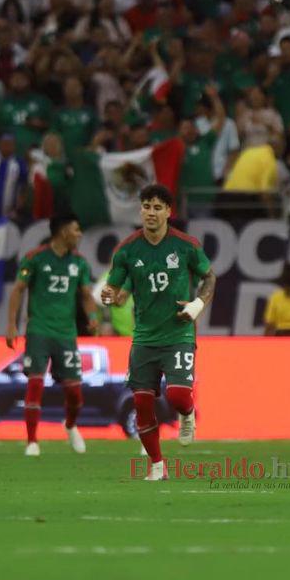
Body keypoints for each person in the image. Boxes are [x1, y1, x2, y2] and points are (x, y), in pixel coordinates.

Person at [100, 185, 215, 481]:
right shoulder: (126, 250)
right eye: (146, 206)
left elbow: (209, 276)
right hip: (144, 338)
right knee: (141, 402)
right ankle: (157, 465)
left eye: (157, 207)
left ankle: (187, 413)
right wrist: (109, 295)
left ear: (168, 212)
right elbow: (118, 290)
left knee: (176, 395)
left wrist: (198, 304)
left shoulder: (186, 245)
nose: (151, 212)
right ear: (141, 210)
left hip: (178, 333)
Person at [5, 215, 98, 456]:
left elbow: (86, 294)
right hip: (39, 330)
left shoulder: (79, 263)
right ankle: (32, 441)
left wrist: (93, 318)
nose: (79, 235)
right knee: (35, 383)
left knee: (75, 393)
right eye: (76, 230)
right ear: (63, 230)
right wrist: (11, 324)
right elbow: (18, 289)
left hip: (66, 334)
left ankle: (70, 425)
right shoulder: (35, 258)